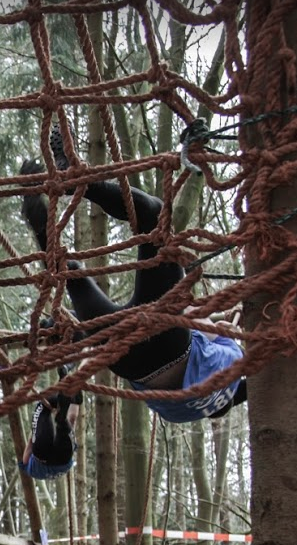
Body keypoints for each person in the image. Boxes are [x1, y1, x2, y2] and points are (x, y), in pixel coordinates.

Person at [20, 125, 247, 423]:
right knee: (70, 274)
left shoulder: (233, 363)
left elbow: (195, 319)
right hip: (129, 362)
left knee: (153, 216)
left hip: (169, 343)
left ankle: (80, 183)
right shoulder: (198, 402)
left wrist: (227, 317)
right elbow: (200, 323)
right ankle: (40, 226)